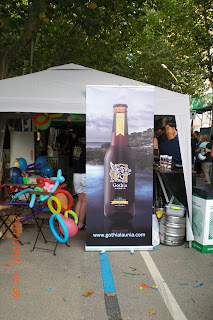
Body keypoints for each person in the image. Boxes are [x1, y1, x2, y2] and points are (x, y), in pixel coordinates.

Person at [72, 130, 86, 230]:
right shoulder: (86, 148)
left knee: (79, 200)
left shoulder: (75, 146)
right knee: (85, 201)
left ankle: (75, 222)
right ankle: (80, 224)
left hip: (76, 174)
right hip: (85, 175)